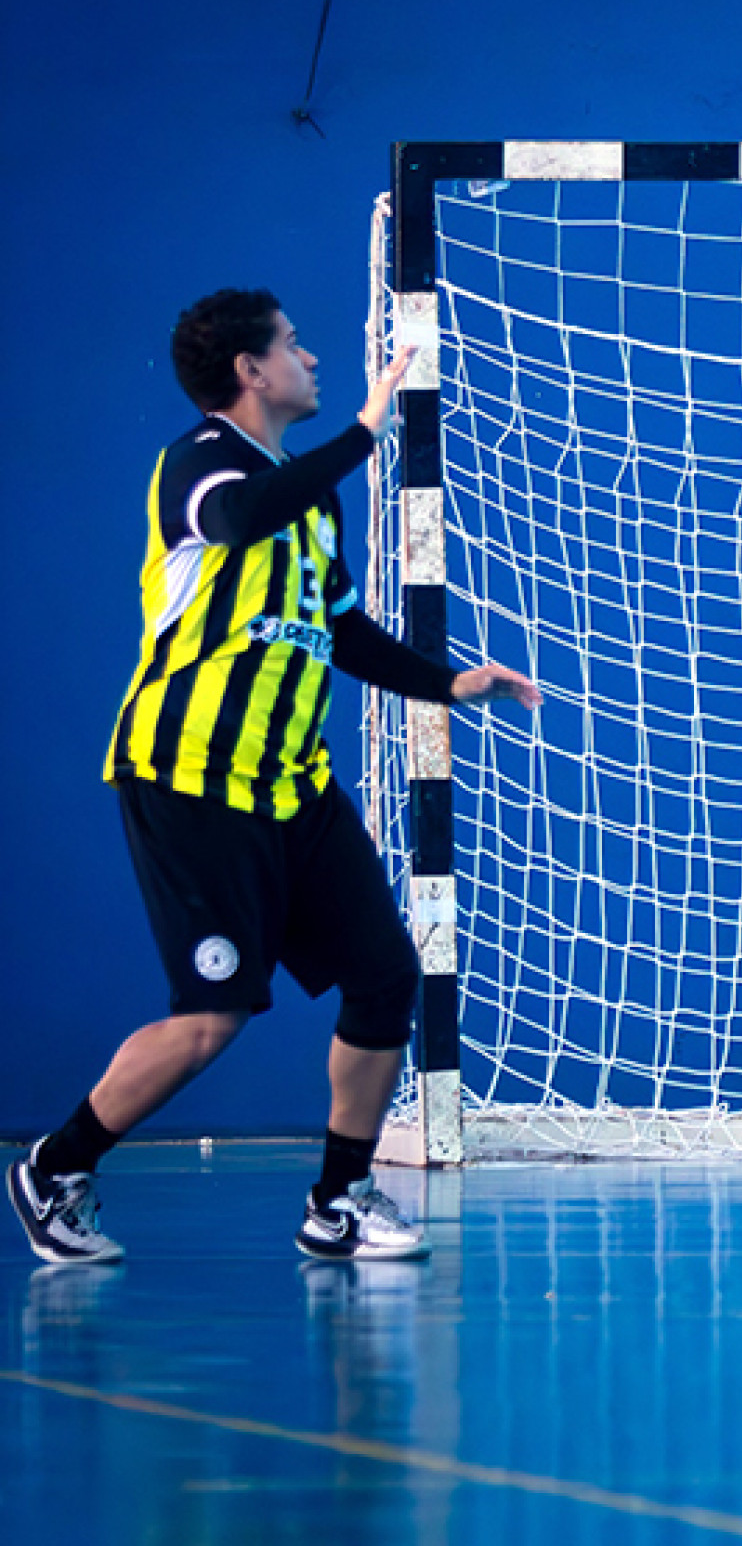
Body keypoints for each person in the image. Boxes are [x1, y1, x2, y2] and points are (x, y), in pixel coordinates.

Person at [10, 291, 541, 1268]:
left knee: (387, 980)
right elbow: (245, 515)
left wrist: (450, 683)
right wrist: (369, 428)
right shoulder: (199, 463)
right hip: (189, 775)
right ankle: (57, 1163)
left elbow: (341, 631)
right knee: (214, 1015)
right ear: (251, 371)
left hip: (293, 780)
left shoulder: (313, 496)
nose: (310, 355)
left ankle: (338, 1199)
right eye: (292, 344)